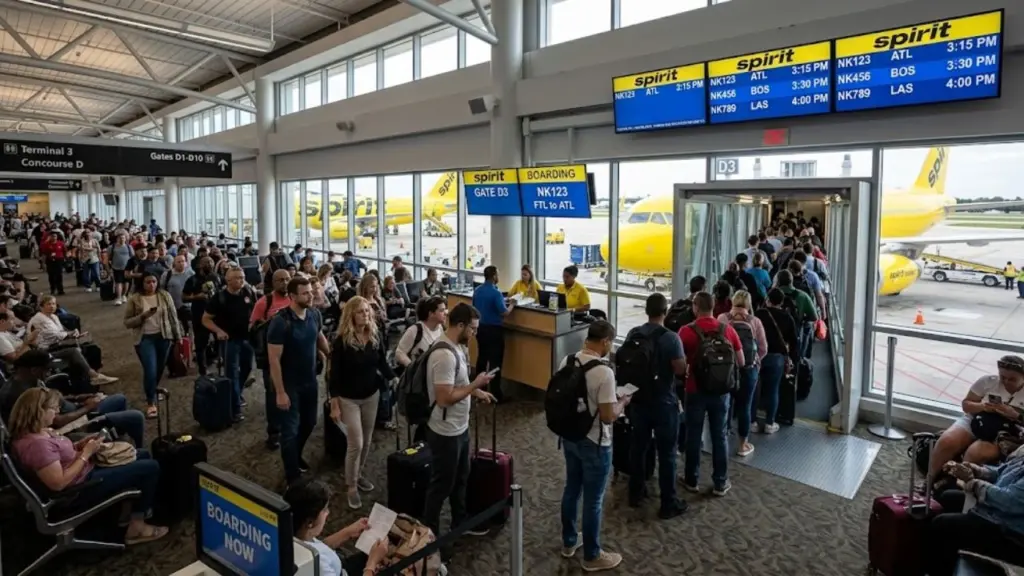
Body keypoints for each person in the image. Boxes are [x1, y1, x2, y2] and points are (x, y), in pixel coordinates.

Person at [8, 388, 168, 544]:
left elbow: (58, 457)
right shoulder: (37, 446)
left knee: (142, 454)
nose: (57, 411)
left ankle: (127, 512)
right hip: (79, 489)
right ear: (38, 411)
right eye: (53, 408)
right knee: (150, 467)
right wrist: (86, 453)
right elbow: (59, 483)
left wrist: (78, 446)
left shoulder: (37, 432)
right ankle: (136, 528)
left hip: (82, 472)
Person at [422, 303, 496, 545]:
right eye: (472, 329)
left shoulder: (457, 348)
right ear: (461, 325)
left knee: (461, 477)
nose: (474, 334)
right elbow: (444, 399)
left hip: (459, 427)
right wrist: (476, 385)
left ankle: (459, 522)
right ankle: (429, 535)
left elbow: (458, 384)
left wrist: (477, 393)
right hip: (445, 432)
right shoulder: (443, 354)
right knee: (441, 484)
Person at [559, 320, 627, 571]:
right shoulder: (604, 372)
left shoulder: (566, 361)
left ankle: (568, 541)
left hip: (570, 436)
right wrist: (623, 403)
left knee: (572, 488)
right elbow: (608, 416)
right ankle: (592, 555)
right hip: (596, 441)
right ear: (606, 341)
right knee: (594, 500)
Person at [625, 293, 687, 518]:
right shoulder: (671, 338)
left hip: (639, 401)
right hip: (663, 402)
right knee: (667, 454)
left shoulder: (634, 333)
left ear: (646, 310)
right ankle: (668, 503)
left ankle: (635, 492)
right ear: (665, 311)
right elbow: (680, 369)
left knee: (638, 448)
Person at [329, 296, 395, 508]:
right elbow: (334, 375)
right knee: (355, 443)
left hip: (371, 395)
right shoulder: (341, 341)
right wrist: (334, 403)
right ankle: (351, 486)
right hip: (348, 398)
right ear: (351, 315)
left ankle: (358, 474)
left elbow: (382, 363)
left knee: (366, 441)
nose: (365, 315)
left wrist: (394, 377)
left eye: (367, 311)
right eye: (360, 312)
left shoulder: (374, 336)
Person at [0, 350, 143, 447]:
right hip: (68, 426)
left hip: (75, 410)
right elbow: (56, 421)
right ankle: (131, 448)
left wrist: (78, 398)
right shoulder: (22, 394)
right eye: (47, 369)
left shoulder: (30, 380)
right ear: (34, 370)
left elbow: (54, 399)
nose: (50, 372)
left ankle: (119, 438)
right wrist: (88, 408)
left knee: (119, 399)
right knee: (135, 416)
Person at [678, 292, 745, 496]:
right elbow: (741, 361)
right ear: (714, 307)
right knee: (719, 436)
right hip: (721, 392)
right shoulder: (727, 330)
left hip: (695, 390)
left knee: (693, 435)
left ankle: (691, 479)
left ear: (695, 307)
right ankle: (720, 482)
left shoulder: (686, 331)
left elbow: (678, 365)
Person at [268, 277, 329, 485]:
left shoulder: (314, 314)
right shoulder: (280, 322)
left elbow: (319, 338)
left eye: (311, 291)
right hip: (289, 384)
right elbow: (274, 360)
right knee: (290, 430)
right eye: (305, 293)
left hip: (310, 381)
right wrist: (280, 392)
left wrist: (330, 357)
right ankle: (292, 475)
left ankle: (295, 455)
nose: (311, 295)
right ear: (292, 296)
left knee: (309, 422)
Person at [927, 453, 1024, 576]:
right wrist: (978, 471)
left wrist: (973, 483)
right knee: (948, 498)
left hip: (1013, 536)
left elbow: (1010, 502)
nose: (1020, 434)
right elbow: (1001, 472)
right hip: (998, 514)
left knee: (942, 525)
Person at [929, 356, 1024, 479]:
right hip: (978, 418)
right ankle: (930, 479)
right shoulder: (988, 381)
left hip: (1008, 430)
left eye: (1012, 379)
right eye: (1003, 377)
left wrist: (1015, 414)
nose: (1005, 382)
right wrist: (983, 407)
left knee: (976, 453)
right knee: (947, 441)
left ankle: (957, 487)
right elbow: (966, 405)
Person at [282, 478, 389, 576]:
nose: (328, 512)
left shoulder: (292, 535)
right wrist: (371, 564)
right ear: (310, 522)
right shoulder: (321, 567)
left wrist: (347, 533)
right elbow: (319, 559)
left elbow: (317, 548)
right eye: (324, 510)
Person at [124, 271, 181, 418]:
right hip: (144, 339)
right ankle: (151, 403)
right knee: (150, 369)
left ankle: (152, 390)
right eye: (148, 282)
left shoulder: (164, 296)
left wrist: (178, 336)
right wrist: (143, 316)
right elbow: (127, 322)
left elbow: (173, 317)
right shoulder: (135, 299)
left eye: (154, 282)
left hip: (163, 336)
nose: (152, 285)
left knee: (159, 368)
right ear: (142, 283)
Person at [717, 290, 767, 457]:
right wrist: (755, 361)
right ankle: (742, 445)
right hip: (748, 370)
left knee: (726, 402)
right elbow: (763, 348)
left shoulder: (723, 319)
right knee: (744, 406)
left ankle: (724, 435)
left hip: (726, 368)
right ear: (749, 304)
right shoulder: (755, 322)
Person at [203, 267, 256, 423]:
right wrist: (218, 331)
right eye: (237, 278)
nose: (241, 280)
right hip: (229, 341)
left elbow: (254, 310)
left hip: (247, 339)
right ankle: (235, 408)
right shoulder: (219, 298)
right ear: (228, 280)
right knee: (231, 373)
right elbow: (205, 319)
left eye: (242, 277)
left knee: (247, 367)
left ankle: (237, 392)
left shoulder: (248, 292)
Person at [251, 269, 293, 450]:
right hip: (272, 357)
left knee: (292, 392)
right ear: (273, 282)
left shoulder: (294, 299)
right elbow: (253, 328)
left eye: (287, 279)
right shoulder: (264, 302)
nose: (284, 283)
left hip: (293, 357)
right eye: (280, 280)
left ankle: (289, 428)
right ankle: (274, 432)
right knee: (273, 394)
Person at [754, 288, 800, 434]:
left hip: (758, 355)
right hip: (777, 358)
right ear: (781, 302)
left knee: (755, 388)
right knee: (773, 390)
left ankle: (752, 421)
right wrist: (793, 360)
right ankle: (769, 423)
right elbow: (793, 341)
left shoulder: (759, 314)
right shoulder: (787, 317)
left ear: (767, 299)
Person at [472, 266, 514, 403]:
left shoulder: (477, 291)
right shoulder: (496, 293)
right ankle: (496, 394)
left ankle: (479, 390)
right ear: (494, 276)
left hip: (480, 329)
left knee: (482, 359)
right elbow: (504, 312)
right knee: (495, 362)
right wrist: (512, 304)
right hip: (494, 331)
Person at [395, 296, 447, 369]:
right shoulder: (415, 330)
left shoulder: (442, 328)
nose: (446, 313)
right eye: (441, 310)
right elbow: (399, 353)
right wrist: (413, 368)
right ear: (431, 314)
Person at [40, 229, 66, 295]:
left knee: (59, 276)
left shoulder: (61, 243)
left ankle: (60, 290)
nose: (54, 237)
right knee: (51, 276)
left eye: (55, 236)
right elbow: (44, 254)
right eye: (52, 236)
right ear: (50, 237)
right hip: (50, 261)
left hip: (59, 261)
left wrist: (65, 259)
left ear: (57, 237)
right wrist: (43, 263)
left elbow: (65, 252)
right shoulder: (46, 244)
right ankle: (53, 289)